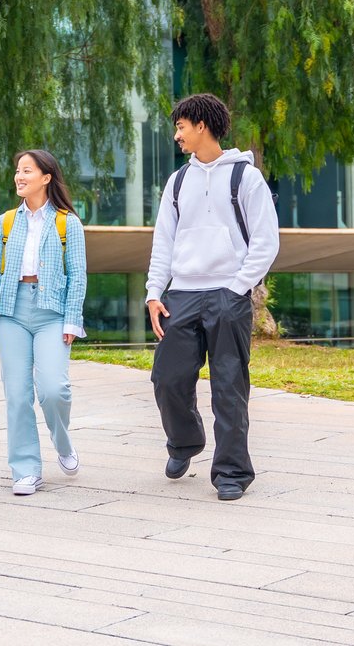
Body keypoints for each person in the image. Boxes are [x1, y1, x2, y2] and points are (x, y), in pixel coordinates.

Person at [145, 93, 280, 501]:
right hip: (181, 294)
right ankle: (185, 443)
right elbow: (163, 240)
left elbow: (266, 241)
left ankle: (232, 472)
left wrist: (237, 287)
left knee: (229, 387)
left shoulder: (245, 177)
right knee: (167, 379)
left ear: (201, 125)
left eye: (181, 127)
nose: (177, 135)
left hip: (227, 295)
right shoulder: (178, 180)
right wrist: (154, 293)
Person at [0, 149, 87, 496]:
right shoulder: (5, 222)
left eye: (27, 171)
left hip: (52, 312)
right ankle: (26, 469)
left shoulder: (68, 223)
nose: (19, 177)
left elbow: (78, 276)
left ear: (46, 178)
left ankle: (62, 443)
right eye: (17, 171)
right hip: (11, 311)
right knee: (17, 395)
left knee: (53, 389)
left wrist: (71, 321)